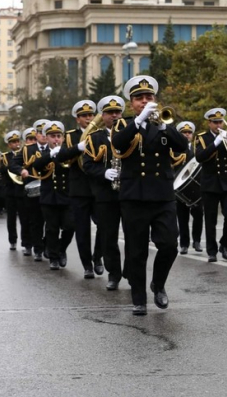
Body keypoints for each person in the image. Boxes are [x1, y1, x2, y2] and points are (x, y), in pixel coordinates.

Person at [112, 76, 189, 316]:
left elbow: (182, 147)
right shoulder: (123, 125)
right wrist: (139, 121)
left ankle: (158, 283)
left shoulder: (163, 124)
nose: (145, 101)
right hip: (134, 196)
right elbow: (118, 144)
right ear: (131, 103)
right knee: (136, 251)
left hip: (162, 195)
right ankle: (138, 298)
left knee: (169, 244)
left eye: (149, 97)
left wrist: (165, 126)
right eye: (139, 98)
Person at [82, 95, 128, 290]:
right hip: (105, 195)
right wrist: (103, 173)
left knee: (134, 236)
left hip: (129, 193)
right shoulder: (95, 138)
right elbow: (87, 165)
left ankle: (132, 273)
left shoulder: (131, 133)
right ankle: (114, 274)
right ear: (103, 115)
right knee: (108, 237)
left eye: (118, 112)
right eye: (110, 113)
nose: (115, 115)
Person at [56, 100, 103, 278]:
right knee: (81, 229)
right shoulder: (70, 136)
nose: (88, 118)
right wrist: (78, 147)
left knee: (103, 226)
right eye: (84, 116)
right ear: (77, 119)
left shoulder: (100, 134)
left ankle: (98, 256)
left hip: (98, 187)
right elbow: (61, 157)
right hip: (79, 189)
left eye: (91, 115)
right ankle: (87, 266)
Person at [195, 108, 227, 263]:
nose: (218, 125)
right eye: (215, 122)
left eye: (220, 122)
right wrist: (216, 142)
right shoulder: (202, 138)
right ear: (209, 123)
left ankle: (224, 245)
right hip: (210, 183)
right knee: (211, 219)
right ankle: (212, 251)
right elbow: (200, 157)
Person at [33, 121, 75, 271]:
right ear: (47, 138)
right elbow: (36, 165)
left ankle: (61, 249)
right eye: (52, 136)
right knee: (52, 229)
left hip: (66, 196)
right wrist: (51, 155)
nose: (56, 139)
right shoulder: (43, 154)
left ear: (62, 138)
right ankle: (54, 258)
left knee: (70, 226)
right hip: (49, 198)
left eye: (58, 136)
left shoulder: (68, 152)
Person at [10, 122, 48, 262]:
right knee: (35, 221)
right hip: (33, 190)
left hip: (52, 190)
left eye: (46, 132)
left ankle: (48, 245)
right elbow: (12, 164)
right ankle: (37, 248)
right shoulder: (27, 150)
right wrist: (21, 170)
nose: (43, 135)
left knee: (52, 222)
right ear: (36, 134)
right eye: (40, 133)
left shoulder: (55, 147)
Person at [173, 121, 203, 255]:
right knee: (182, 216)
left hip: (197, 187)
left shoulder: (197, 148)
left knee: (198, 215)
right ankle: (184, 244)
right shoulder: (174, 149)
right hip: (180, 187)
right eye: (183, 133)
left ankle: (197, 241)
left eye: (189, 132)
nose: (186, 135)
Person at [0, 130, 29, 252]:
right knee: (11, 218)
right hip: (11, 191)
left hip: (22, 190)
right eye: (13, 142)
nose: (16, 144)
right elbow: (3, 172)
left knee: (24, 217)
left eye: (17, 141)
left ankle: (25, 242)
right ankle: (12, 240)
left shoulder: (24, 153)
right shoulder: (5, 156)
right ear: (9, 144)